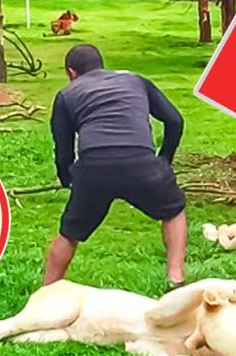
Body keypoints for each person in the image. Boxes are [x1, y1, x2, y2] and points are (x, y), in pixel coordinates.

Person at [44, 44, 187, 289]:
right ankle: (175, 277)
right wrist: (164, 161)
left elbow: (63, 148)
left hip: (94, 167)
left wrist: (69, 179)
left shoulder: (66, 95)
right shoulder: (136, 81)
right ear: (101, 65)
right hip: (140, 160)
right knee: (173, 211)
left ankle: (48, 290)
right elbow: (174, 120)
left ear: (71, 72)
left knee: (69, 233)